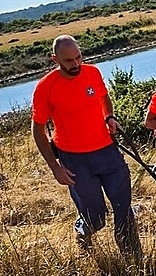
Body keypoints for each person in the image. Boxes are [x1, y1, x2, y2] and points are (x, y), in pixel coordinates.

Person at [31, 35, 140, 255]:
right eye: (69, 60)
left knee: (123, 209)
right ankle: (83, 232)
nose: (76, 64)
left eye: (78, 57)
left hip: (107, 152)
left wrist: (109, 116)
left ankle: (134, 259)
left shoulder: (92, 72)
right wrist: (55, 167)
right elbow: (38, 130)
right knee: (96, 217)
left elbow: (104, 97)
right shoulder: (45, 88)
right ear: (55, 59)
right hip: (75, 161)